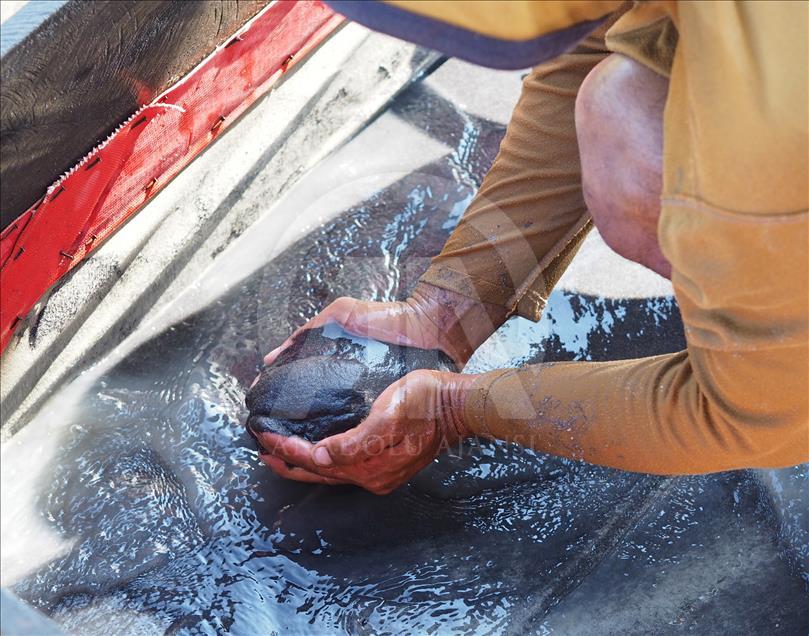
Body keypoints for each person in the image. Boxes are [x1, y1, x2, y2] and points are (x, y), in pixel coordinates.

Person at [253, 1, 808, 494]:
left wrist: (453, 409)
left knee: (636, 152)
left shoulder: (772, 144)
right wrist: (448, 312)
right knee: (619, 97)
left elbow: (759, 418)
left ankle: (761, 313)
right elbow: (598, 37)